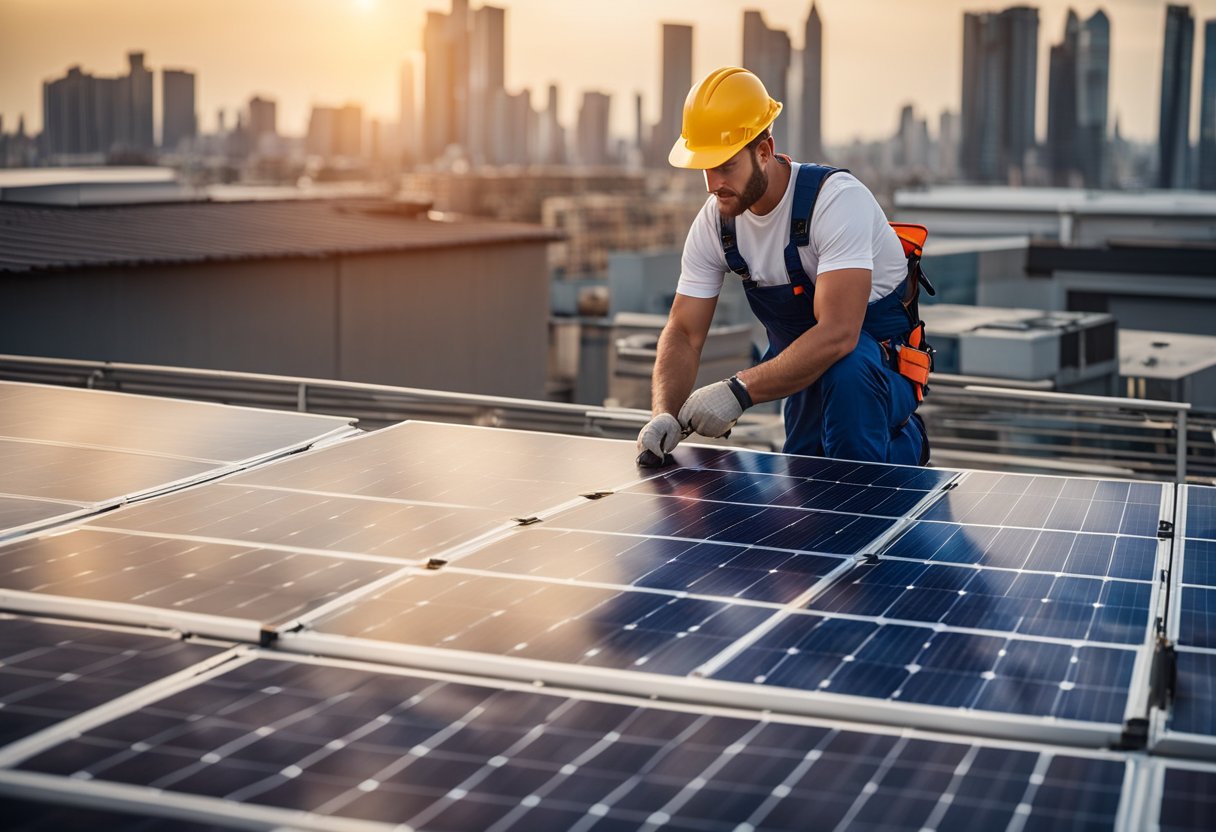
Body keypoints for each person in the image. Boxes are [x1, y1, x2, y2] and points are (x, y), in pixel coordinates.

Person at [636, 66, 930, 467]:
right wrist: (664, 413)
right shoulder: (717, 223)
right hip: (800, 373)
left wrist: (738, 391)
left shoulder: (836, 203)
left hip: (878, 371)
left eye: (725, 165)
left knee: (851, 458)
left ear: (764, 151)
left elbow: (838, 334)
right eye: (705, 167)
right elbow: (685, 332)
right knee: (805, 472)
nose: (711, 183)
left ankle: (907, 444)